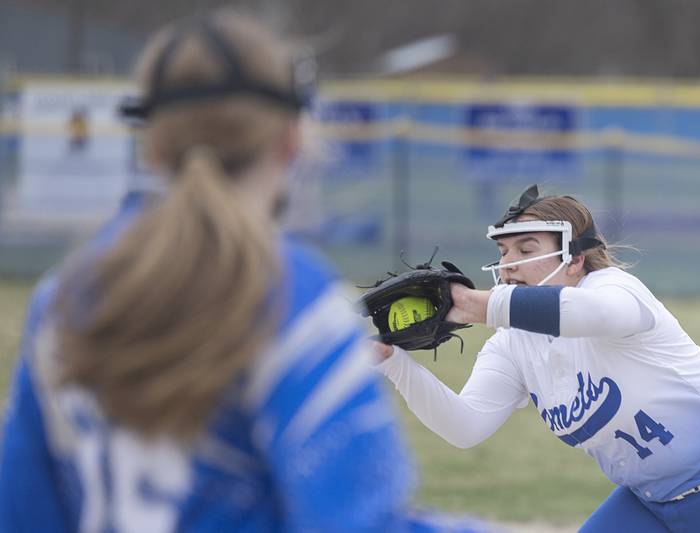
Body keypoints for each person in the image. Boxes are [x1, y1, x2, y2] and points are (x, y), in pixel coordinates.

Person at [0, 12, 491, 532]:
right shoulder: (291, 300)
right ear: (290, 141)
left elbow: (22, 512)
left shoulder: (63, 298)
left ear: (152, 146)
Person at [373, 184, 700, 532]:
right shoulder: (512, 340)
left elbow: (590, 315)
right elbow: (465, 426)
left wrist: (474, 305)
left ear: (575, 259)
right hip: (651, 506)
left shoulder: (613, 289)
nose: (509, 264)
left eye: (526, 249)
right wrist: (392, 360)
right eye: (504, 253)